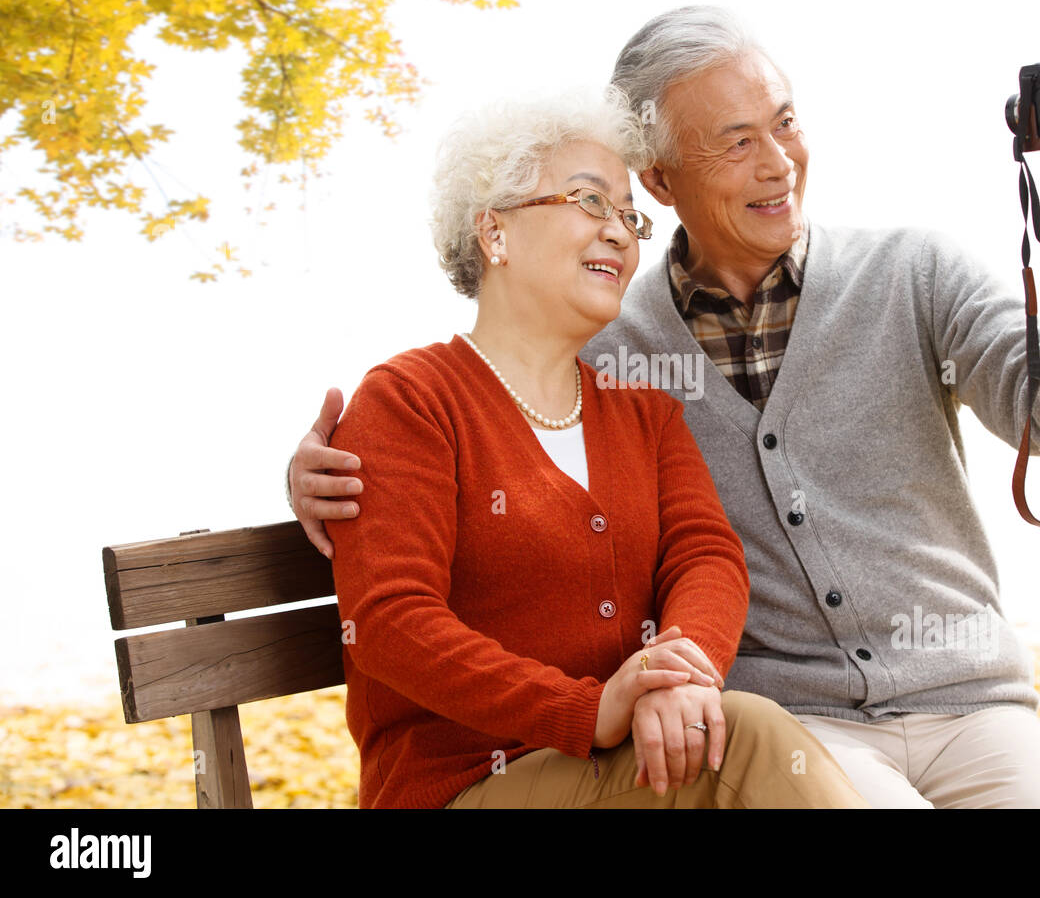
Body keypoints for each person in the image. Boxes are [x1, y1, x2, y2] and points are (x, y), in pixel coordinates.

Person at [293, 6, 1040, 807]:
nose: (778, 161)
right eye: (736, 142)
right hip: (789, 722)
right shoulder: (607, 351)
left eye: (784, 122)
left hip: (972, 705)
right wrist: (322, 473)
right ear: (663, 179)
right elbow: (476, 398)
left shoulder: (912, 276)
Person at [321, 87, 867, 808]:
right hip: (464, 785)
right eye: (588, 201)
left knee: (735, 738)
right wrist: (591, 710)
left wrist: (677, 675)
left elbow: (706, 556)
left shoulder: (645, 414)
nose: (620, 232)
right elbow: (390, 621)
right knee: (750, 742)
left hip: (624, 771)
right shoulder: (411, 400)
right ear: (495, 233)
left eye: (629, 215)